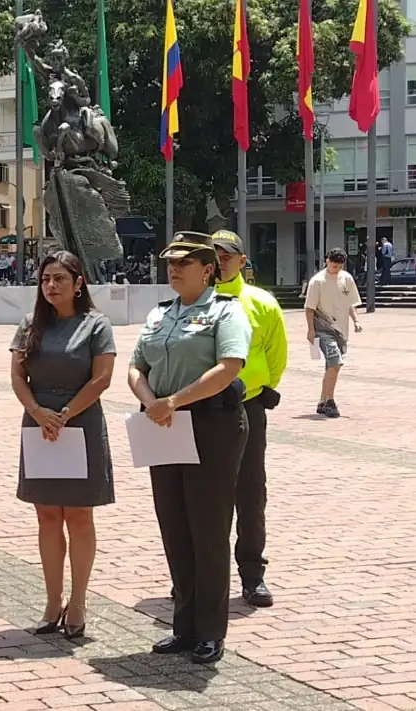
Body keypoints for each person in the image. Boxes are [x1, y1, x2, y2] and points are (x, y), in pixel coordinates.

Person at [127, 231, 252, 665]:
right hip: (163, 423)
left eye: (184, 263)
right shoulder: (160, 314)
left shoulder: (225, 312)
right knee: (175, 526)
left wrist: (174, 401)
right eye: (171, 263)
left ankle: (210, 630)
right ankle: (183, 626)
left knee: (209, 529)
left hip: (210, 425)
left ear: (208, 269)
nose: (174, 269)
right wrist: (152, 403)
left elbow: (229, 367)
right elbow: (135, 365)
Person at [9, 251, 115, 640]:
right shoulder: (29, 324)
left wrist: (65, 413)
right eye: (45, 280)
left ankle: (79, 600)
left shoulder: (96, 325)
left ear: (78, 282)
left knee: (80, 517)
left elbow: (102, 378)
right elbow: (18, 377)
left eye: (59, 279)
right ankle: (53, 601)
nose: (51, 286)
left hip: (80, 424)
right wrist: (38, 412)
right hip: (39, 425)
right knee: (47, 517)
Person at [213, 230, 288, 608]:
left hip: (248, 407)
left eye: (228, 254)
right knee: (204, 496)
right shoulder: (196, 301)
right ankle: (201, 577)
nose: (221, 260)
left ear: (242, 260)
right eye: (214, 254)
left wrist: (261, 386)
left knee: (251, 491)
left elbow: (276, 355)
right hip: (202, 410)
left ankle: (252, 574)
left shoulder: (260, 302)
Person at [304, 248, 362, 418]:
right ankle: (330, 400)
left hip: (341, 329)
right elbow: (309, 308)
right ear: (327, 261)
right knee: (335, 361)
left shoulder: (347, 279)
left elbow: (350, 303)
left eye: (338, 266)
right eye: (333, 265)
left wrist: (356, 320)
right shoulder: (317, 281)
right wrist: (311, 330)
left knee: (332, 367)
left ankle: (322, 402)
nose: (335, 269)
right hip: (323, 328)